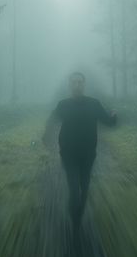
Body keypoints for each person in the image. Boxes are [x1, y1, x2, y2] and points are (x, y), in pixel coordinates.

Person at [42, 72, 117, 228]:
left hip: (88, 154)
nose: (77, 84)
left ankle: (78, 213)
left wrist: (113, 116)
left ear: (84, 84)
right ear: (70, 85)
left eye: (80, 82)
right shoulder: (63, 105)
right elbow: (51, 122)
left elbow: (109, 123)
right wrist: (46, 137)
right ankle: (75, 223)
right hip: (68, 154)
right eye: (74, 82)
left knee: (85, 187)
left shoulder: (94, 104)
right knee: (74, 189)